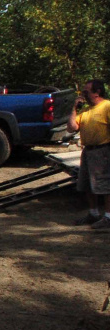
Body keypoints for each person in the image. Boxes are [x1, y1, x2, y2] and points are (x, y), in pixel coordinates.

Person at [67, 79, 110, 229]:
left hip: (103, 150)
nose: (83, 95)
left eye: (86, 92)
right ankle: (93, 213)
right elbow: (72, 128)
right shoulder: (85, 111)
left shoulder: (107, 106)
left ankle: (108, 217)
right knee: (87, 184)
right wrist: (74, 108)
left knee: (105, 185)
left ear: (97, 92)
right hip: (88, 151)